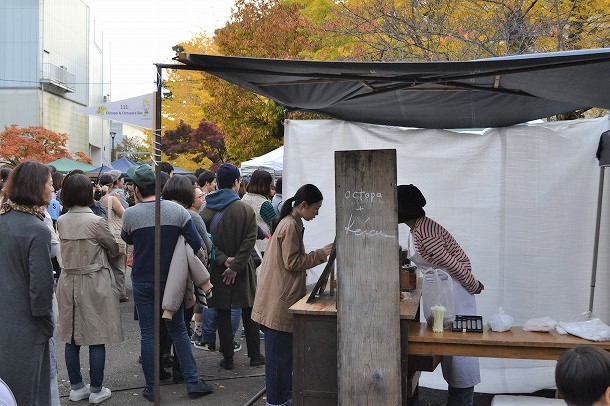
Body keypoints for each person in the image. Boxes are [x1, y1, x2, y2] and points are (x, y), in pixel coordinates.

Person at [121, 164, 213, 401]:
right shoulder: (179, 212)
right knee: (179, 329)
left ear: (137, 190)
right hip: (174, 280)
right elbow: (196, 243)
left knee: (148, 334)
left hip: (142, 280)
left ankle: (152, 387)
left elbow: (127, 238)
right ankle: (192, 381)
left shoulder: (131, 213)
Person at [397, 184, 483, 406]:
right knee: (450, 351)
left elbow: (453, 264)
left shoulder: (426, 232)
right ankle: (456, 401)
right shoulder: (416, 228)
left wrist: (473, 285)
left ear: (404, 210)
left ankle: (462, 401)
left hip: (455, 291)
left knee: (461, 352)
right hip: (443, 290)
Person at [252, 184, 333, 406]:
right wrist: (321, 254)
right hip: (278, 301)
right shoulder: (289, 225)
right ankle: (277, 402)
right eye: (315, 208)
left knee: (283, 361)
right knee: (279, 362)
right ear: (304, 205)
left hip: (278, 296)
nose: (316, 213)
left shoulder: (291, 221)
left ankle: (281, 399)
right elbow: (292, 262)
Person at [55, 173, 123, 404]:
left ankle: (76, 387)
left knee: (71, 336)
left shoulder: (61, 221)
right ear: (87, 193)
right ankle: (96, 389)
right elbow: (114, 248)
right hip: (94, 280)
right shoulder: (96, 221)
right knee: (97, 336)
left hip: (68, 280)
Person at [0, 161, 55, 406]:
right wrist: (46, 324)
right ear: (36, 187)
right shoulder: (36, 229)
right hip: (26, 326)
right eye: (50, 183)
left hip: (5, 321)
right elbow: (41, 288)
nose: (53, 189)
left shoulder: (3, 220)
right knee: (29, 393)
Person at [201, 163, 265, 370]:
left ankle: (228, 358)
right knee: (249, 312)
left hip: (218, 270)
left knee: (223, 313)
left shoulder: (207, 208)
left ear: (217, 182)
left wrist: (222, 259)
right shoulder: (245, 209)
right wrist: (236, 265)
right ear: (237, 182)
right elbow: (249, 240)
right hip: (243, 269)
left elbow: (204, 239)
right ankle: (255, 356)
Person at [99, 172, 129, 302]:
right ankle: (121, 293)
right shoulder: (113, 198)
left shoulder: (98, 199)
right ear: (112, 184)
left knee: (105, 265)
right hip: (114, 235)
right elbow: (125, 214)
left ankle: (107, 291)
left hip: (101, 233)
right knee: (119, 266)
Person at [242, 169, 276, 255]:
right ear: (265, 185)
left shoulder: (244, 198)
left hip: (245, 245)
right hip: (263, 247)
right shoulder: (265, 204)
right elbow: (275, 227)